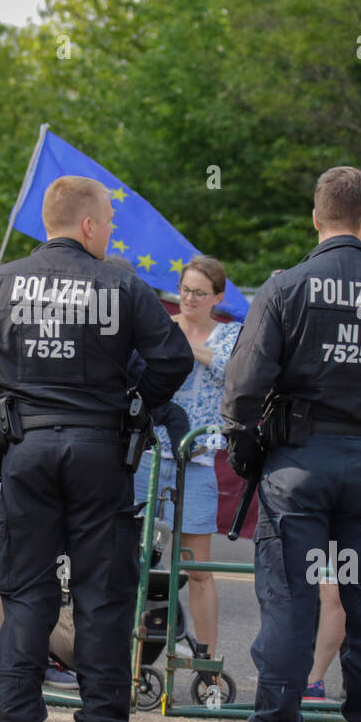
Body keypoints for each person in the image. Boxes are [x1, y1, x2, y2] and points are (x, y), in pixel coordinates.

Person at [0, 174, 193, 722]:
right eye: (108, 224)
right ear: (87, 225)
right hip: (101, 455)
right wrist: (137, 410)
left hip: (25, 453)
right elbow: (173, 358)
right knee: (104, 598)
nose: (111, 234)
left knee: (26, 594)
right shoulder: (120, 285)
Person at [222, 166, 361, 722]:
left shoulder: (285, 287)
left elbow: (242, 390)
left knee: (290, 602)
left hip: (296, 465)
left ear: (316, 219)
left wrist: (249, 459)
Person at [132, 256, 241, 663]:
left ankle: (207, 662)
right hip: (146, 452)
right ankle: (129, 653)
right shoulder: (159, 326)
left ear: (217, 297)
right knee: (132, 559)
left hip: (194, 460)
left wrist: (188, 350)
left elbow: (239, 375)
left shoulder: (229, 336)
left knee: (196, 567)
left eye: (199, 292)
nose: (189, 298)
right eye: (184, 290)